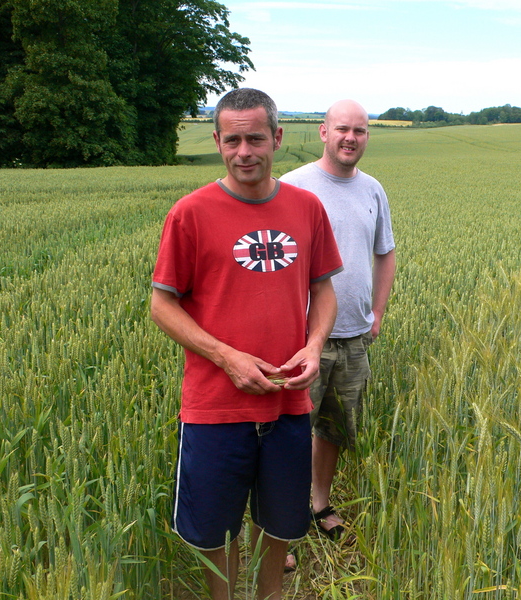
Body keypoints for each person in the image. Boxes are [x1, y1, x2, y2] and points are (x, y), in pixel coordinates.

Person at [150, 88, 343, 600]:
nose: (244, 152)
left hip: (287, 403)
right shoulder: (190, 213)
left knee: (280, 525)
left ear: (277, 138)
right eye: (232, 140)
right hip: (214, 406)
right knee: (215, 531)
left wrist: (314, 344)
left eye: (255, 138)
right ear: (217, 141)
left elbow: (323, 287)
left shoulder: (307, 209)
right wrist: (226, 357)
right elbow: (161, 304)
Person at [280, 99, 396, 539]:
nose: (351, 138)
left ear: (367, 136)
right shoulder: (292, 187)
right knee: (288, 434)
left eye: (360, 131)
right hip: (302, 339)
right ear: (323, 132)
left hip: (353, 337)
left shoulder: (373, 190)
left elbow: (385, 252)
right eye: (342, 129)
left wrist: (378, 311)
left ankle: (318, 503)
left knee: (334, 429)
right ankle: (282, 526)